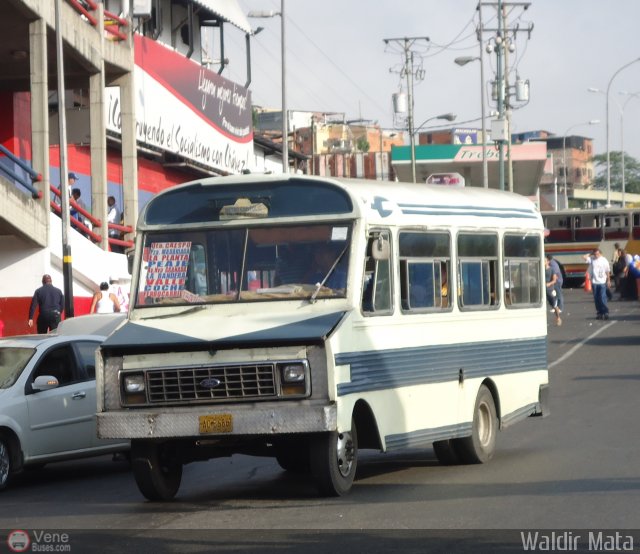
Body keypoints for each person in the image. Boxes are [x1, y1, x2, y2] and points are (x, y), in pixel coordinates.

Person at [584, 249, 611, 320]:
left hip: (602, 282)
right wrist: (590, 254)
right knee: (596, 298)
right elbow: (584, 257)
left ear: (600, 254)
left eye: (597, 254)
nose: (596, 255)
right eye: (595, 254)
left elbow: (607, 271)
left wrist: (608, 280)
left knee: (602, 297)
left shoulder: (604, 260)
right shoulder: (592, 259)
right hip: (594, 282)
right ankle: (599, 312)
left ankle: (605, 312)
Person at [544, 256, 562, 326]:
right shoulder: (540, 269)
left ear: (548, 262)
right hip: (542, 289)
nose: (543, 262)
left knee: (554, 305)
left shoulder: (551, 270)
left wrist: (549, 284)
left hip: (549, 289)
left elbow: (554, 280)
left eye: (545, 261)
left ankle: (558, 317)